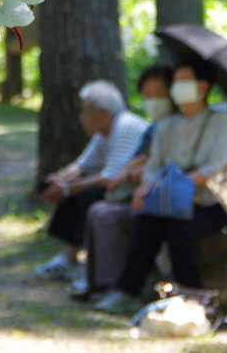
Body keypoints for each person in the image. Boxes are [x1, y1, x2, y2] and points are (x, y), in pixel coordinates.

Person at [94, 59, 227, 314]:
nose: (176, 88)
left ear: (202, 87)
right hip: (167, 200)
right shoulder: (167, 126)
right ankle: (127, 291)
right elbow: (153, 165)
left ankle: (191, 297)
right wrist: (144, 189)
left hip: (206, 204)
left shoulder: (218, 121)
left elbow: (218, 164)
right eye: (176, 83)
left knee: (177, 224)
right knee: (147, 218)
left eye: (183, 82)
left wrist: (179, 185)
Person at [71, 65, 174, 300]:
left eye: (158, 94)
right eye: (148, 96)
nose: (153, 101)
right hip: (142, 193)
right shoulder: (155, 126)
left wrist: (134, 173)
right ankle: (100, 282)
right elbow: (138, 161)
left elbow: (155, 164)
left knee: (103, 211)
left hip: (162, 199)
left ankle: (122, 286)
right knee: (96, 208)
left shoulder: (170, 125)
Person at [34, 80, 150, 280]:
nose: (81, 118)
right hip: (120, 188)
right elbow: (82, 165)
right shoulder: (104, 132)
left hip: (134, 191)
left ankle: (83, 264)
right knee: (76, 191)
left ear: (103, 113)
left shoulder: (125, 126)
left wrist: (67, 188)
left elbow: (110, 177)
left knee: (86, 193)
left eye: (85, 111)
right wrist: (60, 179)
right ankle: (69, 259)